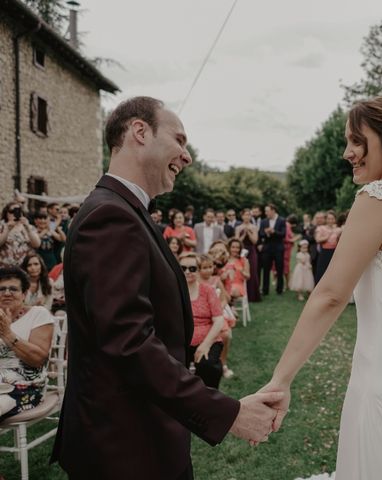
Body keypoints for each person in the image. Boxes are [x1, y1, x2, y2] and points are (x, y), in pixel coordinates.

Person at [50, 96, 281, 480]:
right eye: (180, 140)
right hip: (124, 447)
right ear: (140, 132)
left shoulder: (128, 211)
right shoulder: (110, 216)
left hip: (146, 432)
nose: (187, 156)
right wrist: (229, 414)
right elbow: (129, 344)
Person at [259, 96, 382, 479]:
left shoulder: (377, 198)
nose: (347, 152)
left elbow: (331, 295)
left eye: (357, 140)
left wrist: (280, 380)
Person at [0, 267, 54, 420]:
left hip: (25, 387)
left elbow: (37, 360)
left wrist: (7, 334)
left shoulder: (38, 314)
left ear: (24, 294)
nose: (7, 293)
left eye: (13, 289)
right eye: (2, 289)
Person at [179, 252, 225, 389]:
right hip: (182, 341)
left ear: (198, 270)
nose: (188, 272)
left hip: (208, 339)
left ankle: (209, 399)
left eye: (192, 268)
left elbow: (218, 320)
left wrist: (205, 345)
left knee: (208, 366)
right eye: (183, 268)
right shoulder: (175, 291)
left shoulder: (207, 290)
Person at [0, 202, 41, 268]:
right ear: (6, 213)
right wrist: (7, 229)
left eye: (18, 210)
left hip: (25, 266)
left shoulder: (29, 227)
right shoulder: (2, 226)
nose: (14, 213)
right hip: (5, 266)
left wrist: (27, 228)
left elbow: (37, 244)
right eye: (12, 211)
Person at [259, 204, 286, 295]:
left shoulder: (282, 220)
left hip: (278, 248)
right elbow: (261, 233)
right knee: (266, 269)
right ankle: (265, 290)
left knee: (279, 269)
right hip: (267, 248)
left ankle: (279, 289)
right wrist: (266, 233)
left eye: (267, 211)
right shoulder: (264, 221)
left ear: (273, 210)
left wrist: (274, 231)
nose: (266, 213)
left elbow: (283, 234)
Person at [235, 209, 261, 302]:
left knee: (253, 271)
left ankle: (253, 296)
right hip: (241, 250)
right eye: (245, 215)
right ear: (242, 216)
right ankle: (241, 293)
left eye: (248, 215)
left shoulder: (254, 227)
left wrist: (249, 233)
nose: (247, 217)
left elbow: (255, 241)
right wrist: (243, 234)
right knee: (240, 271)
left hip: (251, 250)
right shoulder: (238, 228)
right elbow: (237, 241)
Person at [314, 210, 342, 284]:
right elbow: (317, 239)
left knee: (334, 272)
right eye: (329, 219)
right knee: (321, 272)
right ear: (326, 219)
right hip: (324, 253)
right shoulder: (321, 228)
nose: (330, 220)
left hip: (335, 253)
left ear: (335, 219)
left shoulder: (339, 229)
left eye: (332, 218)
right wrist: (328, 235)